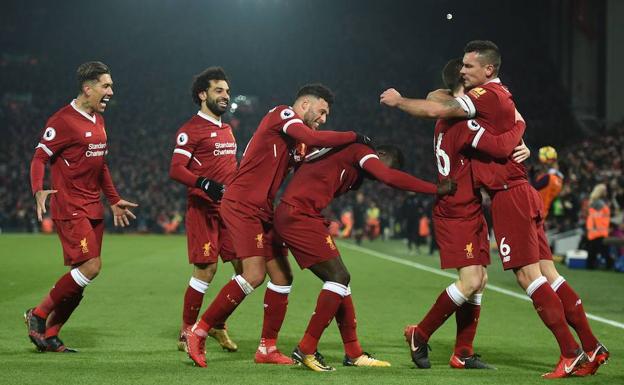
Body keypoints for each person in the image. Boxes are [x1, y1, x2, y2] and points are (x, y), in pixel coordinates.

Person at [381, 40, 607, 378]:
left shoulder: (474, 107)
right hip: (480, 202)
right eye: (463, 71)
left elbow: (446, 108)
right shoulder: (465, 116)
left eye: (470, 68)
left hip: (502, 197)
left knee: (521, 277)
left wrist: (518, 130)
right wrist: (521, 125)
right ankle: (586, 347)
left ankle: (572, 351)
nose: (465, 73)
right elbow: (446, 107)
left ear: (486, 71)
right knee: (514, 277)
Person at [185, 84, 373, 368]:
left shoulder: (297, 143)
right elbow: (313, 136)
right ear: (305, 104)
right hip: (242, 204)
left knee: (283, 277)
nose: (323, 119)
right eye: (321, 112)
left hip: (263, 210)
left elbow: (316, 154)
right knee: (254, 274)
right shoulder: (281, 114)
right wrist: (354, 137)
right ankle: (198, 332)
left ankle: (267, 348)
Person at [394, 57, 528, 370]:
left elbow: (435, 98)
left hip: (467, 207)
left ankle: (463, 352)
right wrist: (521, 127)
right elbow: (499, 147)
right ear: (464, 84)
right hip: (456, 210)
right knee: (470, 280)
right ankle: (420, 332)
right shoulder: (462, 121)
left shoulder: (450, 114)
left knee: (480, 280)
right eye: (468, 75)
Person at [274, 143, 455, 371]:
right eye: (386, 167)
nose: (379, 178)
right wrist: (435, 188)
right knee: (339, 277)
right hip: (297, 215)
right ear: (380, 153)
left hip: (304, 215)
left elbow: (315, 172)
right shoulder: (361, 151)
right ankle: (306, 349)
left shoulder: (355, 174)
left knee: (341, 280)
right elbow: (389, 177)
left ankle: (353, 353)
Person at [26, 61, 137, 353]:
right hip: (70, 206)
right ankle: (37, 315)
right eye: (106, 85)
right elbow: (40, 157)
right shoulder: (62, 120)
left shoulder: (98, 119)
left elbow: (101, 166)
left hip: (93, 207)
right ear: (88, 89)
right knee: (91, 266)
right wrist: (38, 189)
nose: (111, 91)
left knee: (80, 280)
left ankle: (50, 334)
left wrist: (113, 199)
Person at [169, 67, 241, 353]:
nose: (225, 96)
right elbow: (175, 170)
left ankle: (216, 323)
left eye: (227, 91)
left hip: (230, 212)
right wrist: (203, 183)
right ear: (203, 95)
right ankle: (187, 331)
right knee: (206, 270)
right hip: (202, 210)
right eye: (219, 91)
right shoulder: (190, 130)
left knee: (248, 270)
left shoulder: (227, 128)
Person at [531, 146, 564, 220]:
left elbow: (534, 187)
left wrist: (531, 174)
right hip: (544, 211)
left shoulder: (549, 177)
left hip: (535, 210)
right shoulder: (559, 181)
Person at [585, 184, 611, 270]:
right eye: (605, 190)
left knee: (594, 251)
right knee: (601, 251)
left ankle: (591, 266)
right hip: (598, 231)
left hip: (595, 231)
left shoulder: (595, 202)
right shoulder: (600, 203)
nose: (606, 192)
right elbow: (597, 217)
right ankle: (607, 266)